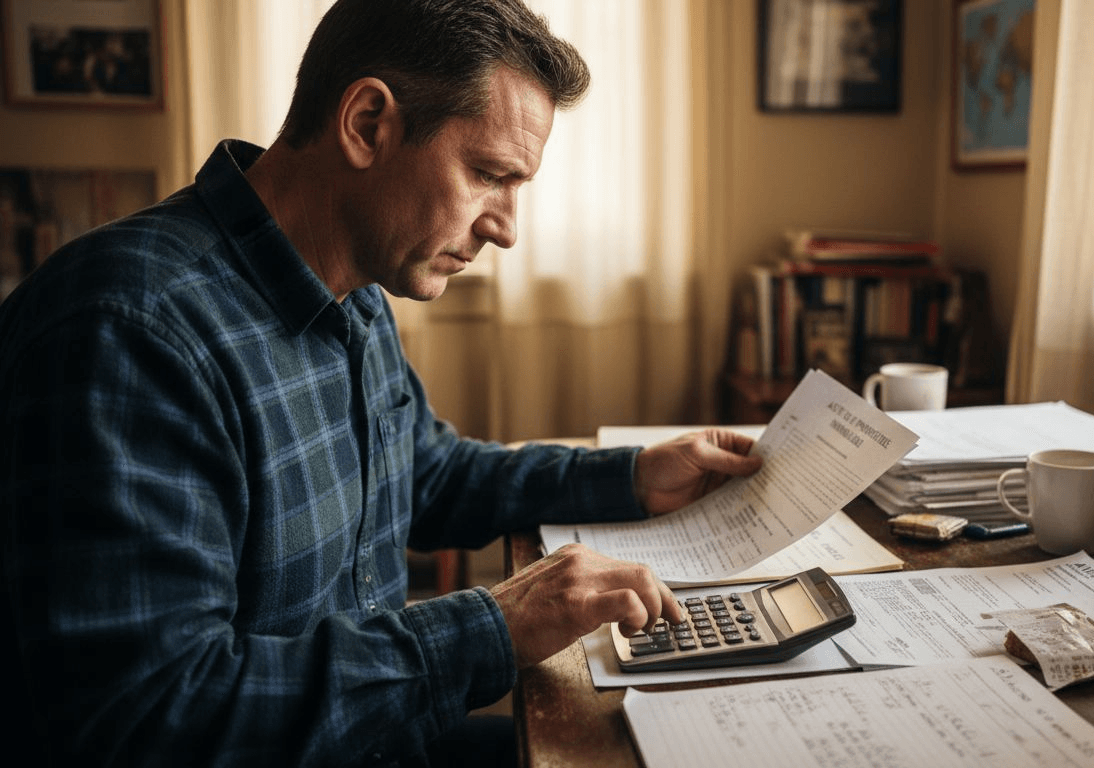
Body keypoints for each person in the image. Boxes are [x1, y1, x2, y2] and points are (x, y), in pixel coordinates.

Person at [0, 1, 763, 765]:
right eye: (488, 174)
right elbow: (153, 716)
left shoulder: (352, 285)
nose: (506, 227)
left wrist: (631, 476)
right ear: (367, 123)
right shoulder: (127, 335)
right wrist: (493, 627)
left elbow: (423, 472)